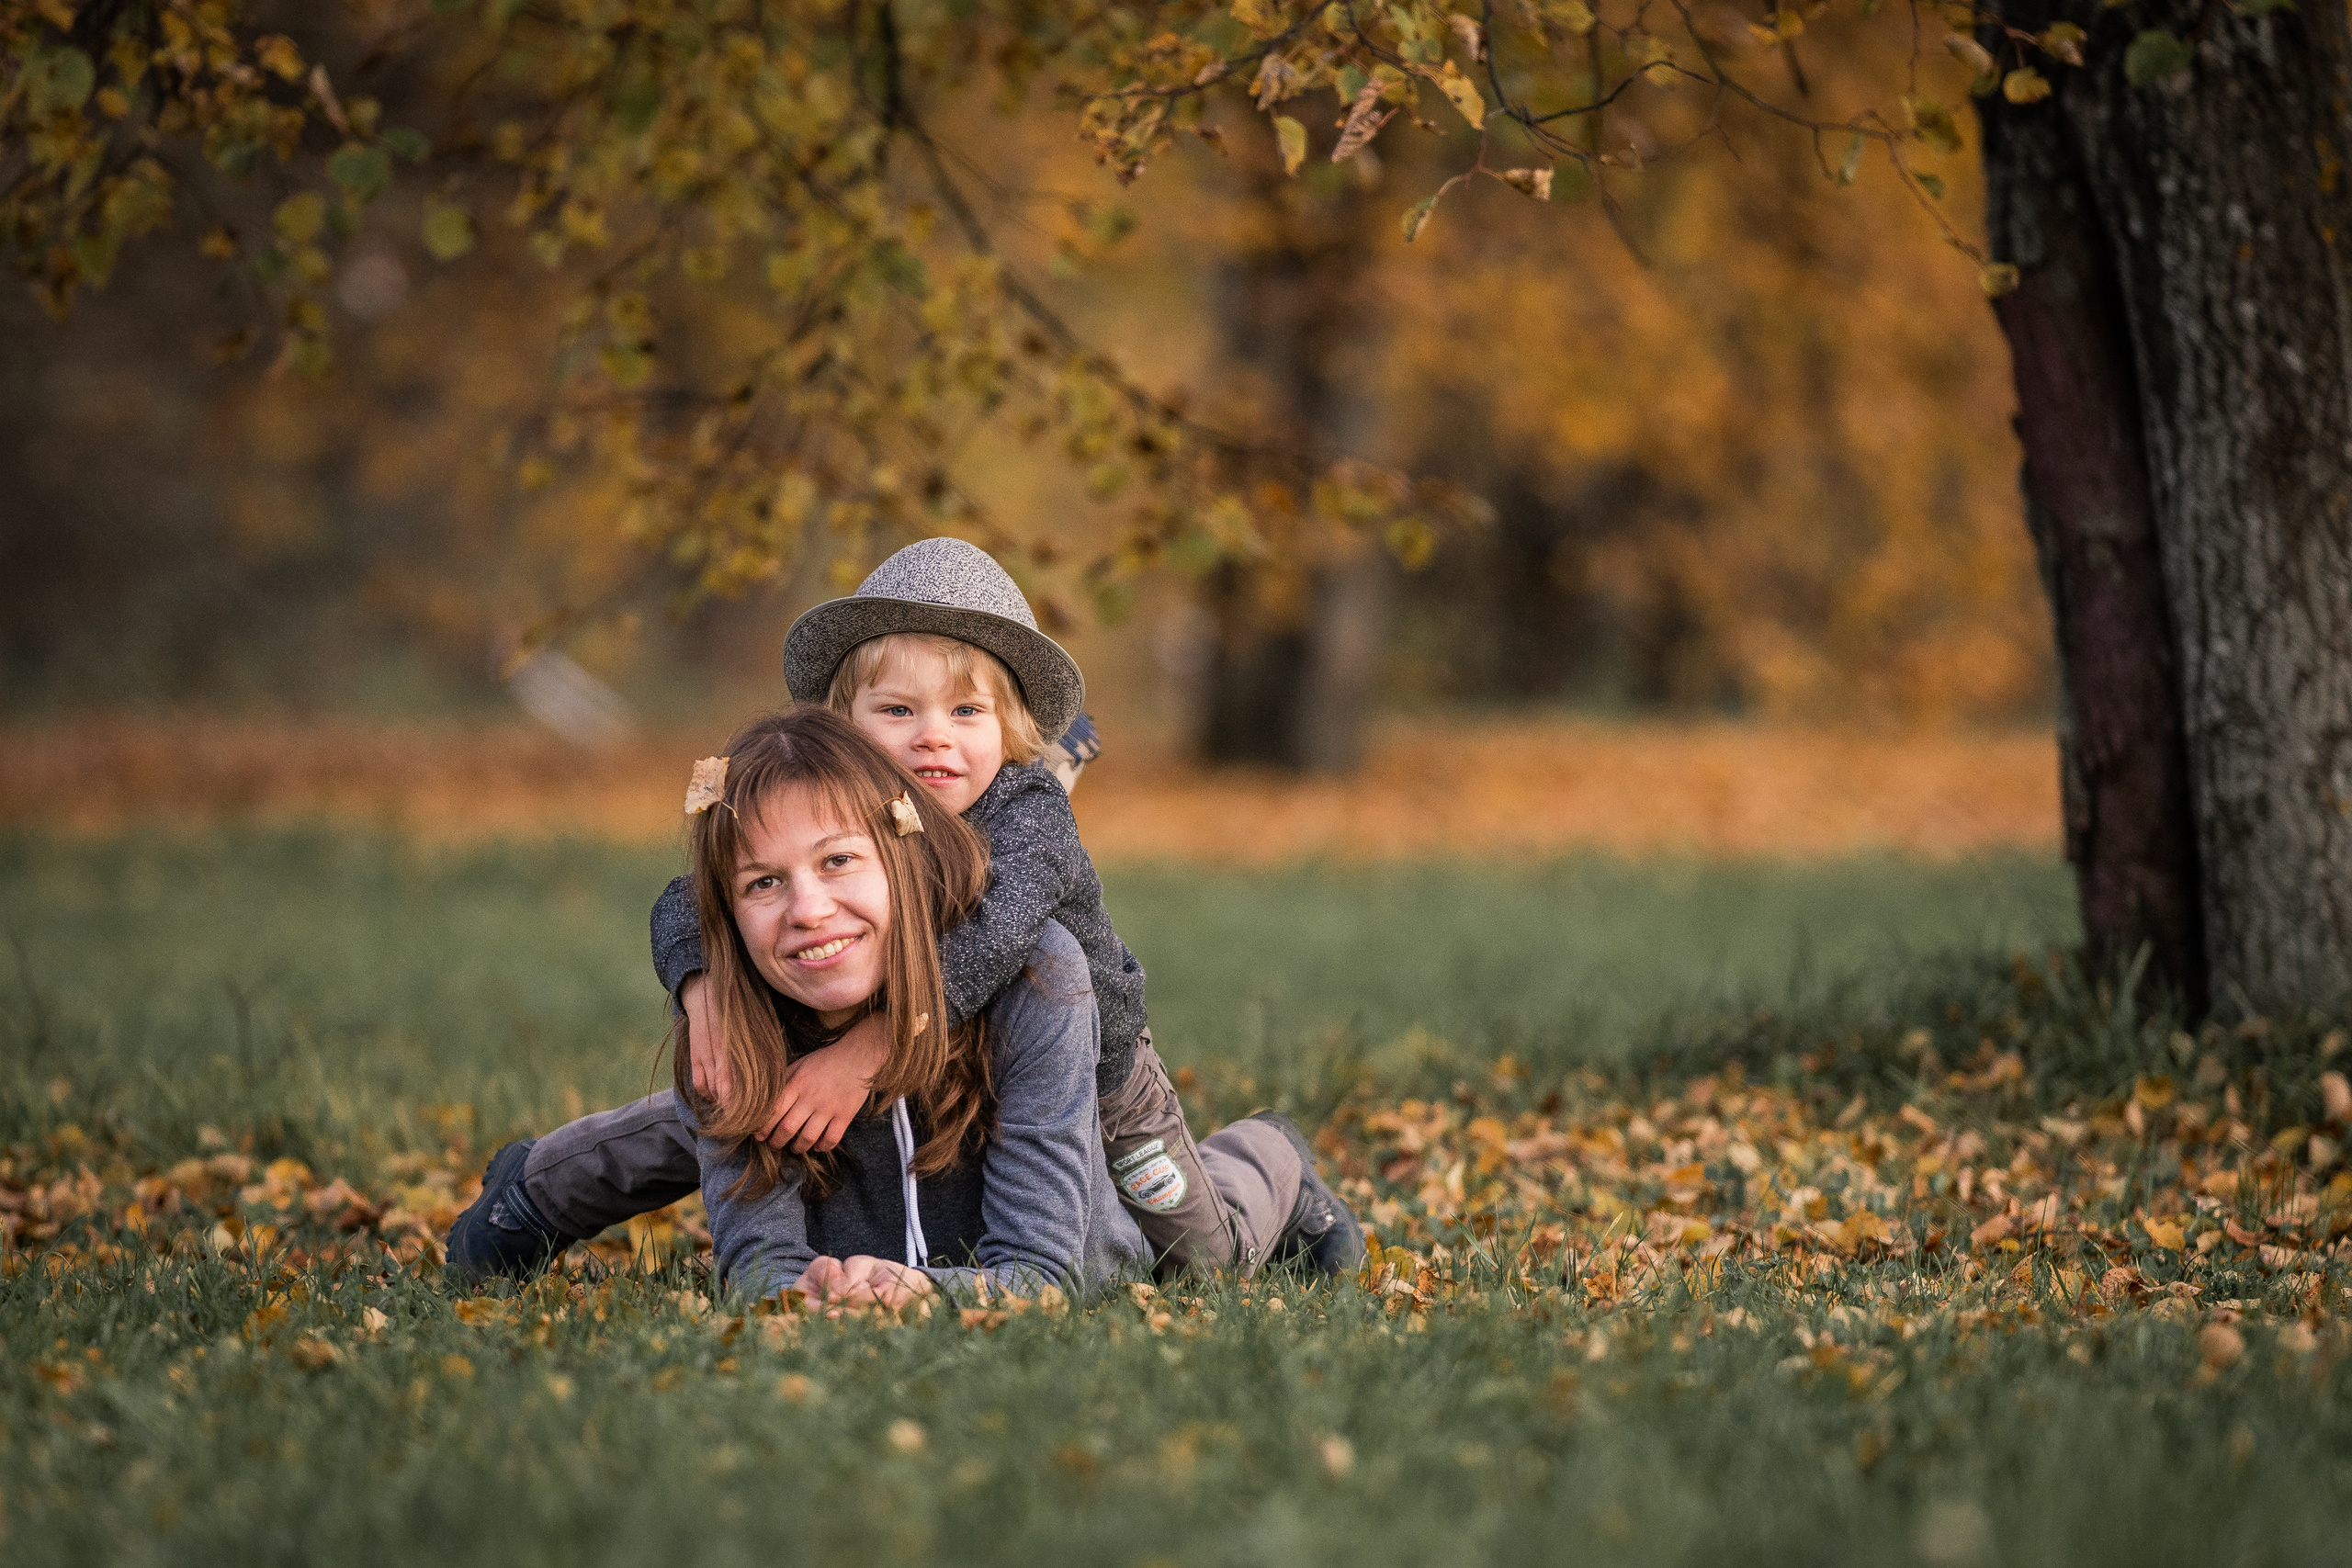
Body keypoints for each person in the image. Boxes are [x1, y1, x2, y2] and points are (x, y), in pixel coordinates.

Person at [447, 538, 1361, 1285]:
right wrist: (705, 992)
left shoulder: (1028, 816)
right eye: (898, 709)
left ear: (1006, 733)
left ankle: (1271, 1165)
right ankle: (531, 1190)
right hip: (874, 1036)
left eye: (965, 711)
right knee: (734, 1100)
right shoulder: (833, 808)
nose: (932, 735)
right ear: (845, 723)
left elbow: (997, 941)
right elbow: (695, 894)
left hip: (1076, 1065)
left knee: (1196, 1252)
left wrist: (862, 1056)